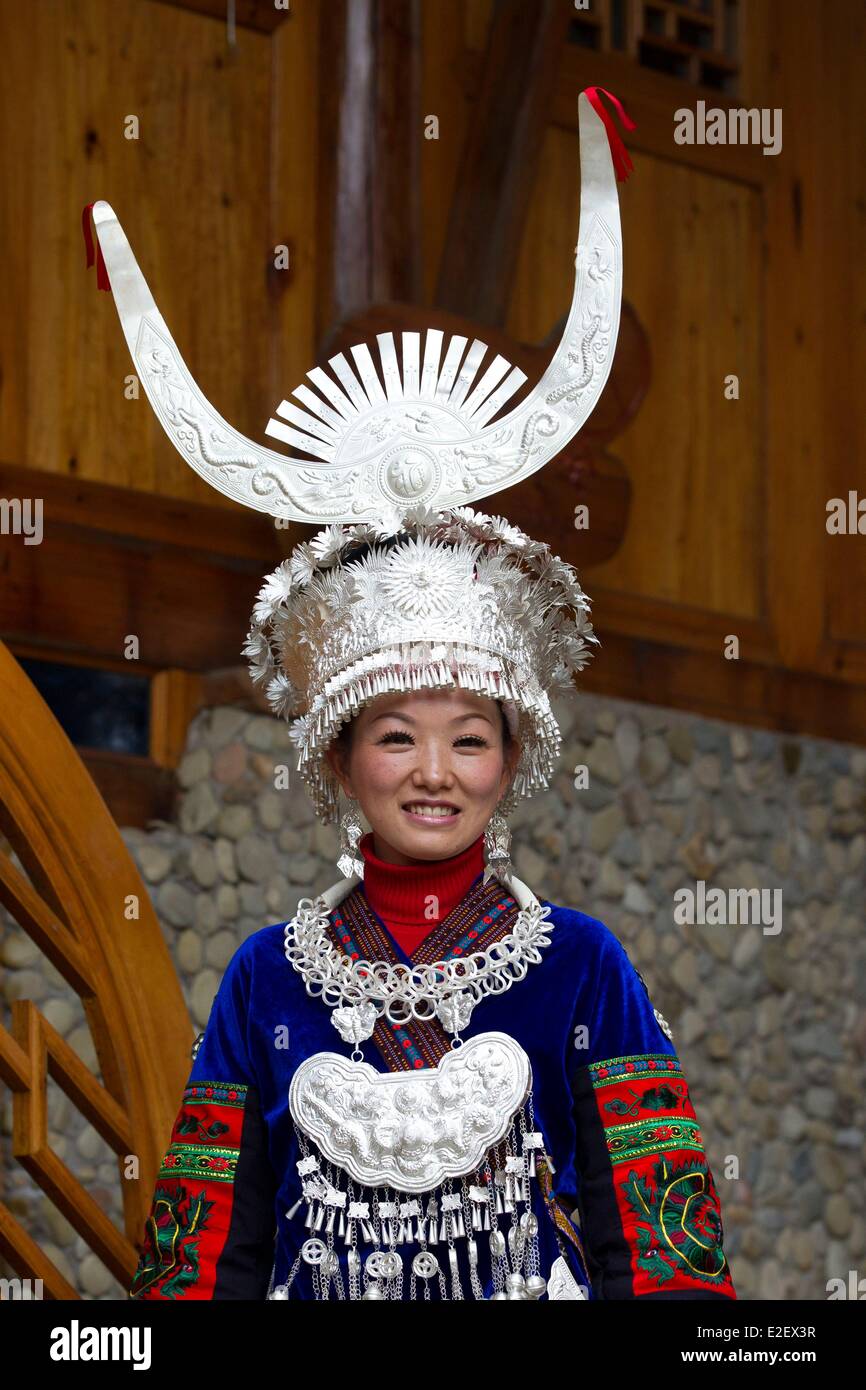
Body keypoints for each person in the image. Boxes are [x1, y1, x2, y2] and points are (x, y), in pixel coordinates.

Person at [86, 86, 737, 1301]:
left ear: (511, 755)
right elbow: (202, 1262)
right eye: (396, 734)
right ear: (339, 757)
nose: (433, 771)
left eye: (468, 738)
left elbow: (656, 1249)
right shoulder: (264, 983)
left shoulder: (583, 971)